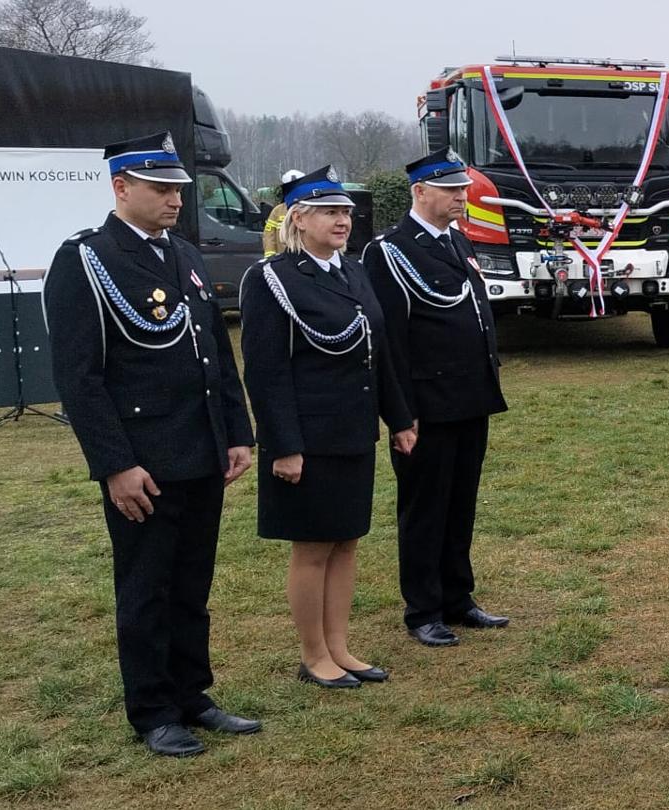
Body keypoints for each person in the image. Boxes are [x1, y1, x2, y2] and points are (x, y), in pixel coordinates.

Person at [42, 131, 260, 757]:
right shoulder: (86, 260)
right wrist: (115, 464)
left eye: (177, 190)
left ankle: (194, 694)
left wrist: (238, 433)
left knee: (193, 584)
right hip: (144, 460)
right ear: (121, 187)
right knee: (146, 588)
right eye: (161, 189)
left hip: (201, 449)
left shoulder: (185, 256)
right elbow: (79, 378)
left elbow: (216, 353)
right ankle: (154, 710)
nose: (173, 200)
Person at [242, 168, 416, 688]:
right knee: (313, 547)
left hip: (353, 430)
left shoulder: (352, 270)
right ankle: (313, 654)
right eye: (330, 212)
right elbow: (266, 370)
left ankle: (340, 647)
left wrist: (399, 417)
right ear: (300, 217)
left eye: (346, 212)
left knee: (346, 541)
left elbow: (377, 352)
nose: (344, 221)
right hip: (307, 437)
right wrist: (283, 445)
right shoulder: (273, 278)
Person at [361, 148, 510, 648]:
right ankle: (423, 606)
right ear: (420, 191)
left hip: (469, 396)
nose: (461, 199)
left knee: (460, 503)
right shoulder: (390, 251)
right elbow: (390, 341)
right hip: (426, 404)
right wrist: (401, 414)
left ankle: (457, 596)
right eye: (450, 190)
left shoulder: (458, 242)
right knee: (425, 508)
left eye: (462, 190)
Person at [261, 169, 303, 257]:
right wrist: (270, 257)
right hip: (283, 261)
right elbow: (269, 235)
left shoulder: (312, 209)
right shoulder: (278, 211)